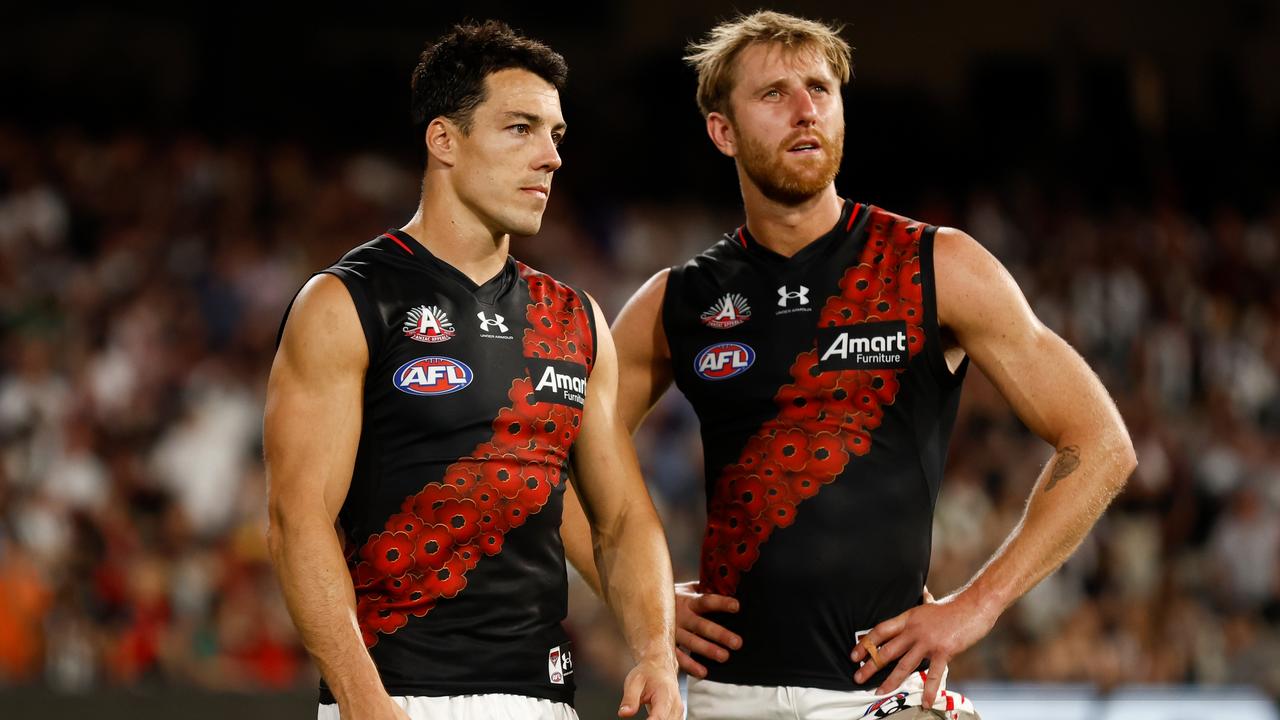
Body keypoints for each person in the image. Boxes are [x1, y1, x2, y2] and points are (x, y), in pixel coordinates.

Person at [560, 10, 1136, 720]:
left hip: (881, 698)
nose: (805, 110)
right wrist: (642, 605)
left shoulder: (937, 265)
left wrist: (975, 607)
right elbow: (560, 455)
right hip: (722, 698)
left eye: (821, 89)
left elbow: (1101, 442)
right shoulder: (677, 299)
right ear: (722, 130)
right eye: (774, 94)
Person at [263, 21, 681, 720]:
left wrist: (656, 652)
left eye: (556, 135)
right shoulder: (349, 300)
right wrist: (365, 703)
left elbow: (622, 518)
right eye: (520, 128)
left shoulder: (575, 317)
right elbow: (296, 521)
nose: (549, 156)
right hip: (397, 696)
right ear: (444, 141)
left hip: (545, 698)